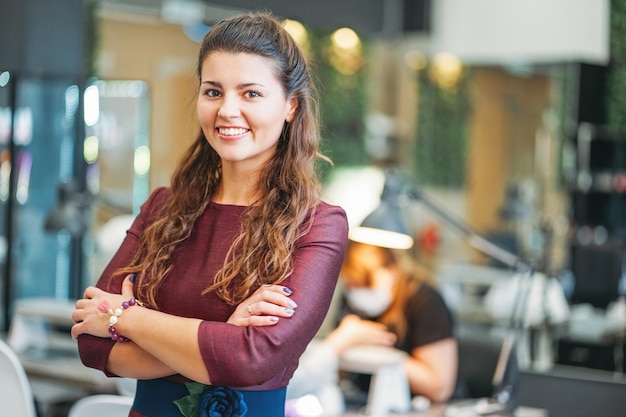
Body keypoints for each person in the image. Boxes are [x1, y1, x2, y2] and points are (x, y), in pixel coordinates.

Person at [71, 12, 348, 417]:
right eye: (213, 91)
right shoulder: (162, 207)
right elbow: (91, 344)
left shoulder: (318, 224)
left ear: (290, 105)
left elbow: (253, 360)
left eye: (250, 93)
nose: (227, 111)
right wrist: (224, 337)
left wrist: (124, 317)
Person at [233, 240, 458, 410]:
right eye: (352, 285)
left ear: (392, 269)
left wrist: (380, 355)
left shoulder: (424, 302)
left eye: (366, 283)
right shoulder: (354, 303)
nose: (358, 293)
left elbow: (439, 387)